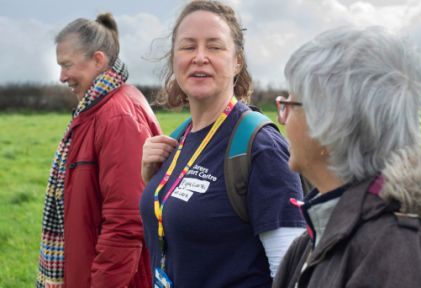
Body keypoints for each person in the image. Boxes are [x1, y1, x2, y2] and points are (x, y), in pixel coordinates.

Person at [139, 1, 305, 287]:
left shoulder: (261, 147)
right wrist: (152, 181)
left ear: (237, 60)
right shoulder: (179, 138)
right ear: (174, 58)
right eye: (188, 46)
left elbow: (290, 275)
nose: (200, 57)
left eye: (214, 46)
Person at [272, 26, 421, 288]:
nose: (281, 119)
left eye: (290, 105)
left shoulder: (401, 251)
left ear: (329, 126)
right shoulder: (312, 240)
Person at [36, 13, 161, 288]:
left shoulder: (117, 117)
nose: (61, 76)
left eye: (67, 65)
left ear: (98, 60)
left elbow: (125, 223)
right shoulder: (97, 109)